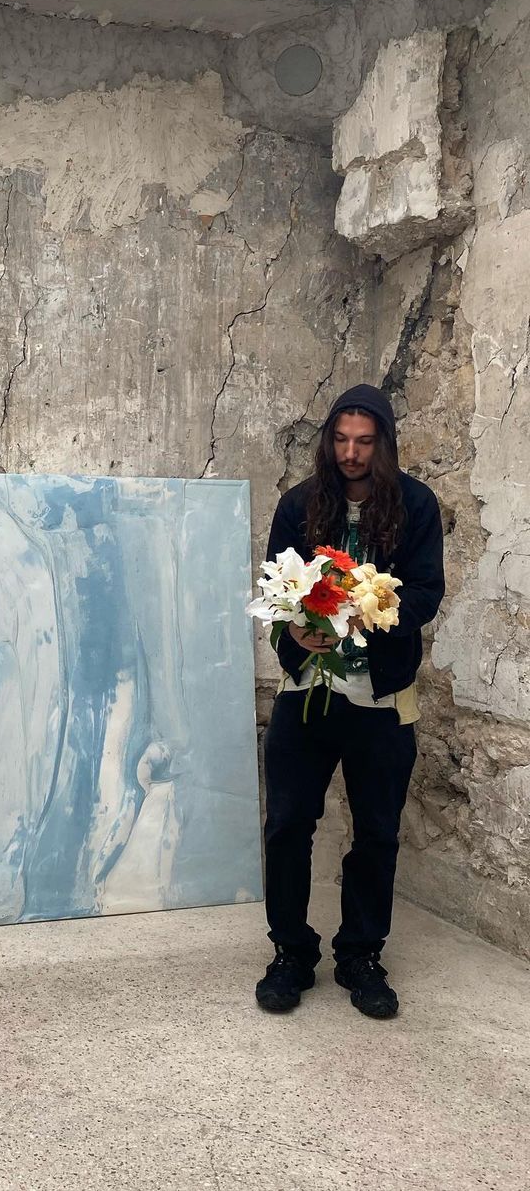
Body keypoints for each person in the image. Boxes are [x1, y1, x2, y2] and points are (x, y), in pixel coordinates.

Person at [254, 384, 445, 1020]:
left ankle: (361, 955)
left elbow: (427, 592)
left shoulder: (415, 505)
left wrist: (374, 614)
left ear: (384, 443)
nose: (351, 453)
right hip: (306, 693)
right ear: (328, 442)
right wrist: (295, 631)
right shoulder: (300, 504)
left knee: (377, 833)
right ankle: (291, 952)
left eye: (364, 441)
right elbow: (277, 589)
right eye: (340, 439)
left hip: (381, 700)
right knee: (287, 825)